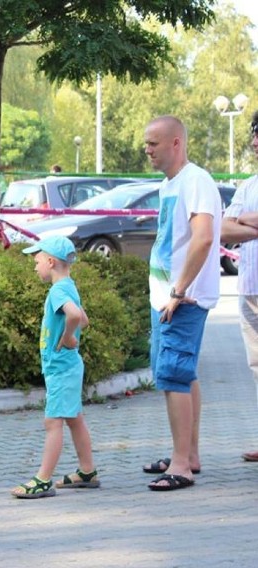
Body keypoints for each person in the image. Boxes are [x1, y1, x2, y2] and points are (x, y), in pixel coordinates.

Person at [142, 115, 221, 491]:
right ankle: (187, 453)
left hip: (182, 298)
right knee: (179, 372)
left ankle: (180, 466)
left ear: (176, 143)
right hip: (167, 296)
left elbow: (204, 238)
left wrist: (178, 290)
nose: (147, 149)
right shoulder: (169, 185)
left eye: (154, 143)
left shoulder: (196, 180)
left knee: (174, 373)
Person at [11, 235, 97, 499]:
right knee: (73, 418)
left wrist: (66, 337)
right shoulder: (69, 286)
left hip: (61, 366)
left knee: (53, 422)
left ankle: (43, 479)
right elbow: (85, 319)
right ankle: (87, 471)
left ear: (50, 261)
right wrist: (72, 333)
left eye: (37, 261)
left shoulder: (58, 290)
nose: (35, 266)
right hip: (67, 365)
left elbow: (74, 317)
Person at [221, 112, 258, 463]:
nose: (255, 141)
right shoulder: (248, 186)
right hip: (249, 288)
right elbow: (224, 230)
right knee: (256, 365)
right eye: (254, 134)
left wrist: (244, 219)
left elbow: (237, 223)